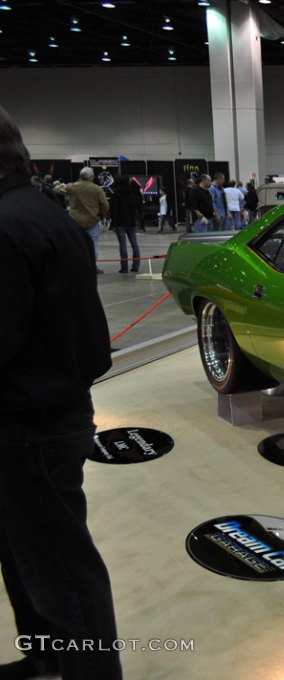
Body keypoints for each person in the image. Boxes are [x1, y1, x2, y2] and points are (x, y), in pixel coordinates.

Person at [0, 105, 123, 679]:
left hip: (29, 422)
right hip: (48, 411)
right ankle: (50, 657)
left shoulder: (9, 225)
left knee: (58, 565)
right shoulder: (45, 215)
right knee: (29, 554)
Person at [57, 166, 109, 273]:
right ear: (91, 177)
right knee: (93, 244)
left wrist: (60, 185)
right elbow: (105, 205)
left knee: (75, 244)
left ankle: (76, 266)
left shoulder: (73, 187)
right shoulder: (97, 189)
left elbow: (57, 190)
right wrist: (101, 215)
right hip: (92, 221)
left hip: (75, 221)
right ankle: (93, 266)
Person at [109, 175, 141, 274]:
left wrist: (113, 224)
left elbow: (114, 212)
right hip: (131, 223)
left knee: (123, 245)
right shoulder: (131, 195)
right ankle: (136, 266)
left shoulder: (115, 195)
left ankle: (124, 267)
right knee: (134, 244)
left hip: (120, 223)